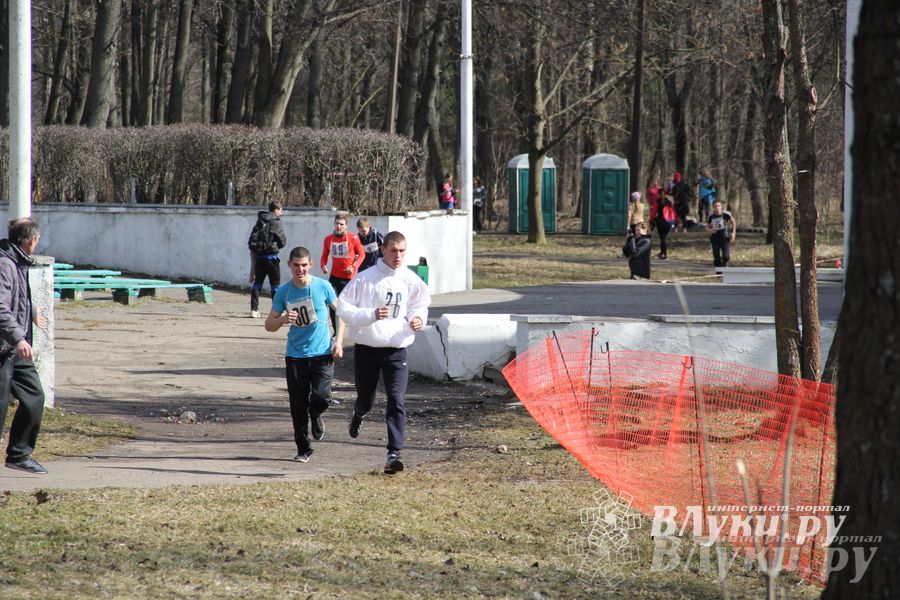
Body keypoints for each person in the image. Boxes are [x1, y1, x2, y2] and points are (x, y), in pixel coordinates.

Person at [337, 231, 431, 475]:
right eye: (393, 250)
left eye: (402, 251)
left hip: (396, 349)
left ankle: (394, 454)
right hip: (367, 348)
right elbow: (343, 308)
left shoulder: (410, 279)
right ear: (383, 250)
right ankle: (358, 413)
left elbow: (420, 304)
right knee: (366, 399)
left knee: (396, 399)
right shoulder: (365, 278)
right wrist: (370, 315)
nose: (398, 256)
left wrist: (418, 319)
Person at [265, 247, 344, 463]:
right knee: (297, 406)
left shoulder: (323, 286)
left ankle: (316, 413)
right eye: (296, 265)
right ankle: (303, 449)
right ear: (289, 265)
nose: (300, 269)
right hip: (295, 356)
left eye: (304, 265)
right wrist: (283, 319)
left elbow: (341, 313)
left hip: (322, 353)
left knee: (321, 397)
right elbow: (269, 325)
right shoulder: (284, 292)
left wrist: (338, 341)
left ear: (311, 265)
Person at [0, 218, 49, 475]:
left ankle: (19, 455)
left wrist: (31, 311)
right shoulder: (4, 264)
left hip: (15, 349)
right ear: (32, 240)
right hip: (5, 346)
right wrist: (19, 337)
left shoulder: (17, 261)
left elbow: (16, 299)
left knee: (34, 396)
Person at [320, 212, 364, 332]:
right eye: (337, 224)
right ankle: (336, 331)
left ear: (346, 226)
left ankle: (356, 329)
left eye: (341, 224)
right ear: (334, 224)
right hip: (334, 277)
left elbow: (362, 255)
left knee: (348, 305)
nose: (339, 226)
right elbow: (324, 255)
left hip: (349, 278)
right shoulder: (328, 239)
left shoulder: (353, 238)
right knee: (332, 304)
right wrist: (323, 265)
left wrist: (354, 266)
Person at [248, 201, 287, 319]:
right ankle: (277, 310)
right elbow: (283, 241)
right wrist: (275, 246)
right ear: (276, 210)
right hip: (272, 258)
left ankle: (254, 310)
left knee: (257, 284)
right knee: (275, 286)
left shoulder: (260, 220)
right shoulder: (275, 222)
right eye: (280, 210)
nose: (281, 213)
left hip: (259, 258)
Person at [706, 199, 736, 268]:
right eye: (715, 206)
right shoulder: (711, 216)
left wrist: (733, 232)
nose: (717, 208)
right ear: (713, 207)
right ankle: (719, 271)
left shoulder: (726, 214)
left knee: (726, 256)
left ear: (721, 207)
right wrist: (711, 230)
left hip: (725, 236)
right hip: (715, 237)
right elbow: (706, 227)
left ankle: (725, 265)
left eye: (718, 206)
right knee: (716, 256)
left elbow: (733, 222)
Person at [655, 193, 676, 260]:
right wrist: (676, 221)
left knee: (663, 238)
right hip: (668, 222)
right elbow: (673, 213)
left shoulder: (657, 202)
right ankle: (662, 252)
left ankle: (664, 254)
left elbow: (653, 212)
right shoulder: (669, 203)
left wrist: (651, 221)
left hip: (660, 222)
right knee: (663, 238)